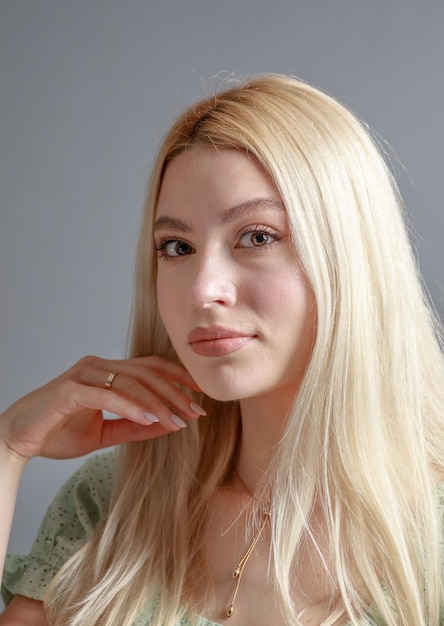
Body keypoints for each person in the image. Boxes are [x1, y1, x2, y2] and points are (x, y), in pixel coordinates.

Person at [0, 74, 443, 626]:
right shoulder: (111, 505)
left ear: (349, 255)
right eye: (177, 247)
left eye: (257, 236)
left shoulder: (432, 531)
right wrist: (9, 448)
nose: (202, 288)